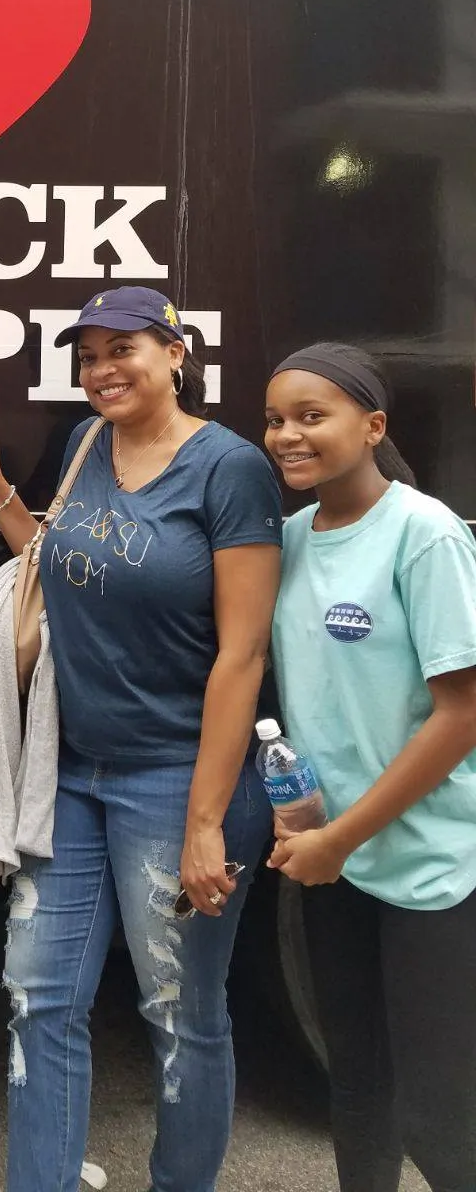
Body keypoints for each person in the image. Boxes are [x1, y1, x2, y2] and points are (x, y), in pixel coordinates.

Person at [0, 286, 281, 1192]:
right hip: (74, 773)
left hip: (181, 778)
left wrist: (206, 823)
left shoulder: (230, 468)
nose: (102, 370)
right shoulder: (85, 444)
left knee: (179, 1010)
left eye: (121, 349)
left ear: (175, 353)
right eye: (88, 355)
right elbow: (53, 570)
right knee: (37, 996)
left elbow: (242, 655)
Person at [264, 342, 476, 1192]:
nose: (288, 436)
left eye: (313, 417)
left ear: (372, 425)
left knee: (438, 1109)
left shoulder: (425, 534)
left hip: (429, 868)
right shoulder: (289, 538)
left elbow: (461, 715)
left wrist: (341, 837)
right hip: (336, 864)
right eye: (276, 420)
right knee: (357, 1087)